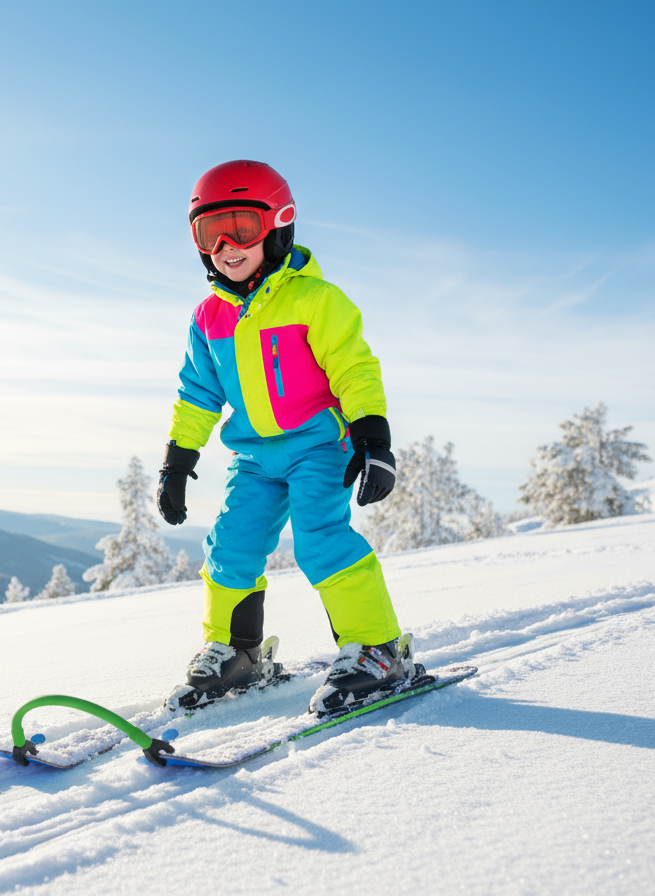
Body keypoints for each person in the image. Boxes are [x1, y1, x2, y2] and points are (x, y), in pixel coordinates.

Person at [157, 159, 416, 716]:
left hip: (321, 445)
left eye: (242, 228)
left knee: (321, 539)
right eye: (209, 232)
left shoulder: (316, 300)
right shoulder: (208, 318)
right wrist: (177, 461)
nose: (226, 245)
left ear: (277, 225)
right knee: (230, 548)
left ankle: (378, 650)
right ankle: (238, 653)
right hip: (254, 457)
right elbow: (198, 393)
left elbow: (353, 368)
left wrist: (374, 436)